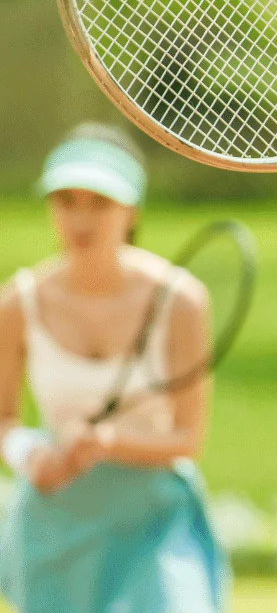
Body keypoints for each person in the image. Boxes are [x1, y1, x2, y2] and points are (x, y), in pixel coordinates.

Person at [0, 123, 228, 613]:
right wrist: (29, 456)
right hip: (54, 522)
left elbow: (188, 439)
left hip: (155, 520)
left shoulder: (181, 301)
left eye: (100, 202)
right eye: (66, 200)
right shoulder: (17, 303)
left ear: (132, 211)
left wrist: (108, 442)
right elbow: (4, 421)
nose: (81, 218)